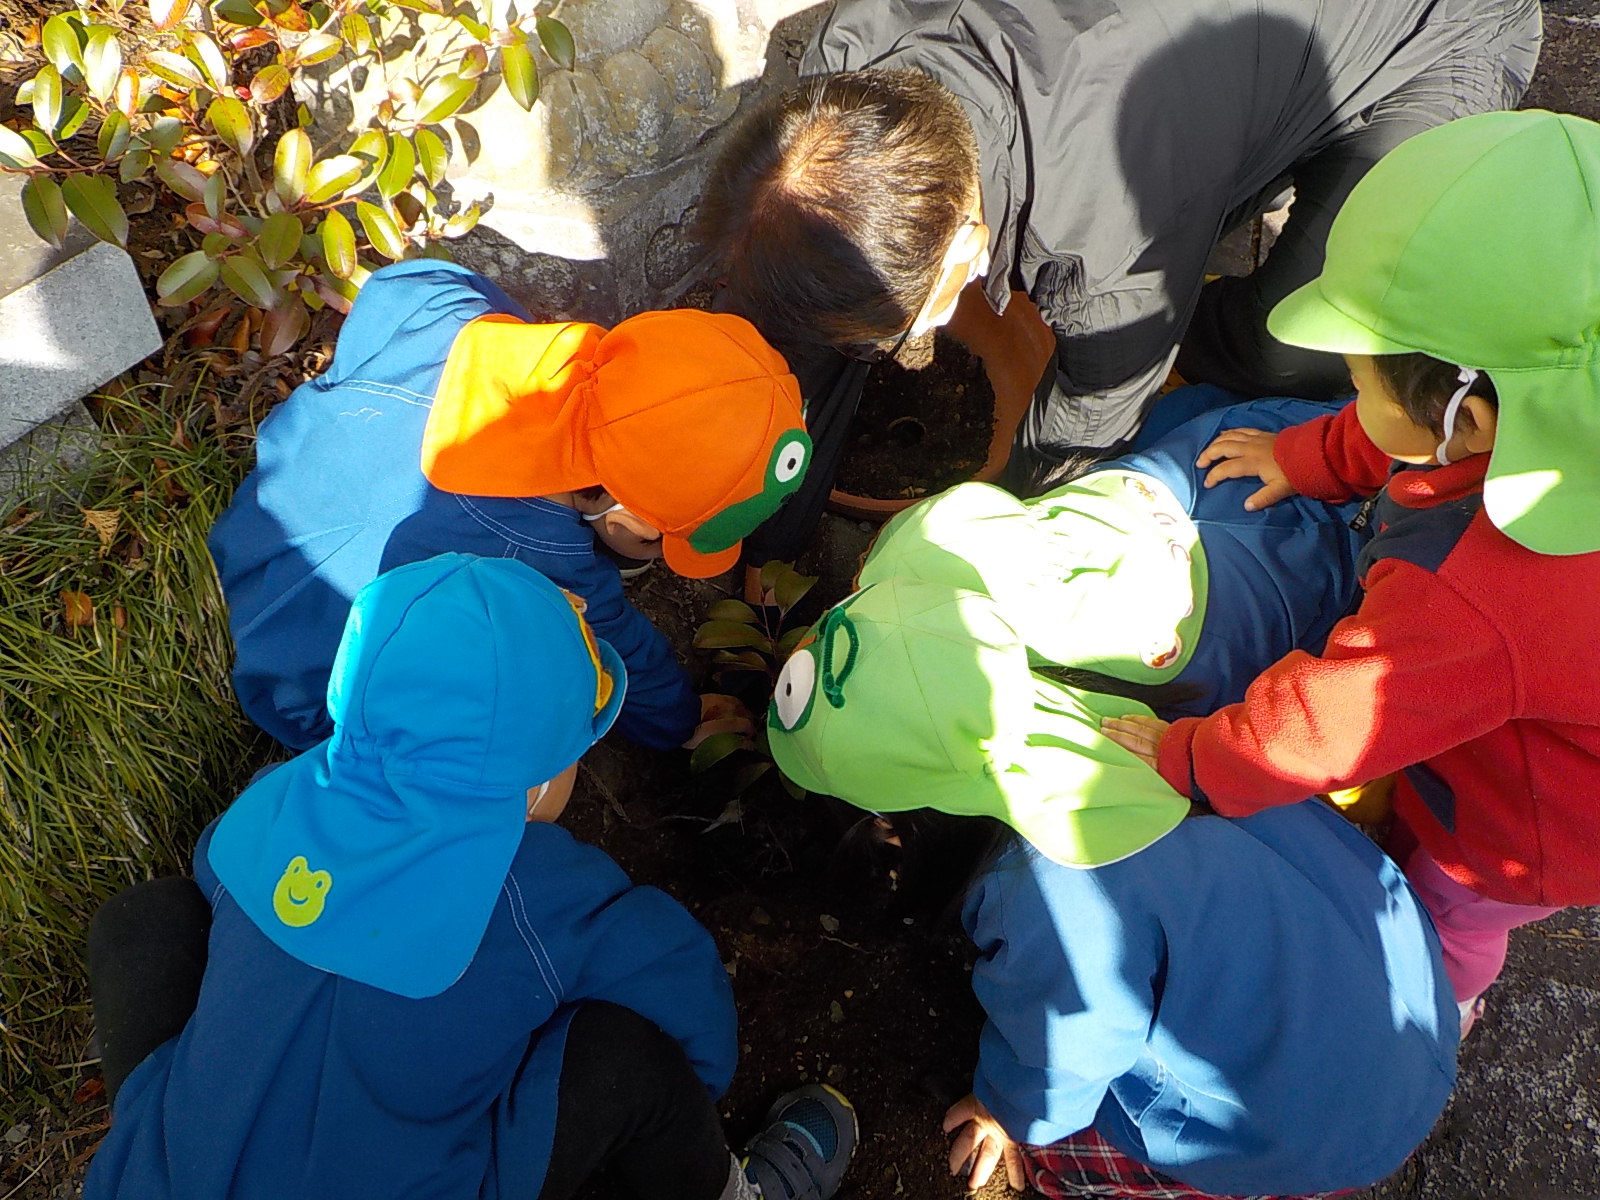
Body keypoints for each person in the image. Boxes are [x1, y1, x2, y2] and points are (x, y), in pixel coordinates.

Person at [83, 553, 857, 1200]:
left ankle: (180, 1121)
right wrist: (699, 1079)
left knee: (141, 922)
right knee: (626, 1061)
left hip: (154, 1182)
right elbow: (679, 988)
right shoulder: (535, 891)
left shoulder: (273, 804)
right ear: (534, 786)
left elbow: (214, 867)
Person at [696, 0, 1540, 567]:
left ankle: (1203, 332)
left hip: (1432, 35)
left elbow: (1081, 427)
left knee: (1295, 342)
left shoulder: (1108, 242)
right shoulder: (841, 85)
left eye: (913, 325)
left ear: (966, 246)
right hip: (1212, 62)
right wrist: (770, 521)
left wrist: (975, 538)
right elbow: (815, 275)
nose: (911, 348)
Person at [1101, 110, 1600, 1033]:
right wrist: (1309, 457)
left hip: (1527, 823)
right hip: (1534, 704)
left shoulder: (1472, 592)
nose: (1353, 393)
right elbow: (1413, 428)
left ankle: (1441, 1009)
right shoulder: (1553, 398)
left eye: (1358, 382)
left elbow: (1324, 729)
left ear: (1470, 422)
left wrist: (1193, 756)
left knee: (1448, 906)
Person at [764, 577, 1457, 1198]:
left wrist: (1008, 1110)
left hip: (1327, 1125)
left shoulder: (1042, 897)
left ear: (892, 825)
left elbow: (1068, 1048)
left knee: (1063, 1158)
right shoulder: (1092, 708)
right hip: (1404, 984)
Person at [209, 259, 812, 754]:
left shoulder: (450, 312)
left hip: (257, 524)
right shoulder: (540, 562)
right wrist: (681, 722)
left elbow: (398, 285)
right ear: (626, 520)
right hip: (307, 689)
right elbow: (619, 652)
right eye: (660, 541)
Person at [853, 391, 1369, 719]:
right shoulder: (1096, 487)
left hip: (1341, 572)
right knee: (1180, 410)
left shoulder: (1182, 688)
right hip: (1291, 439)